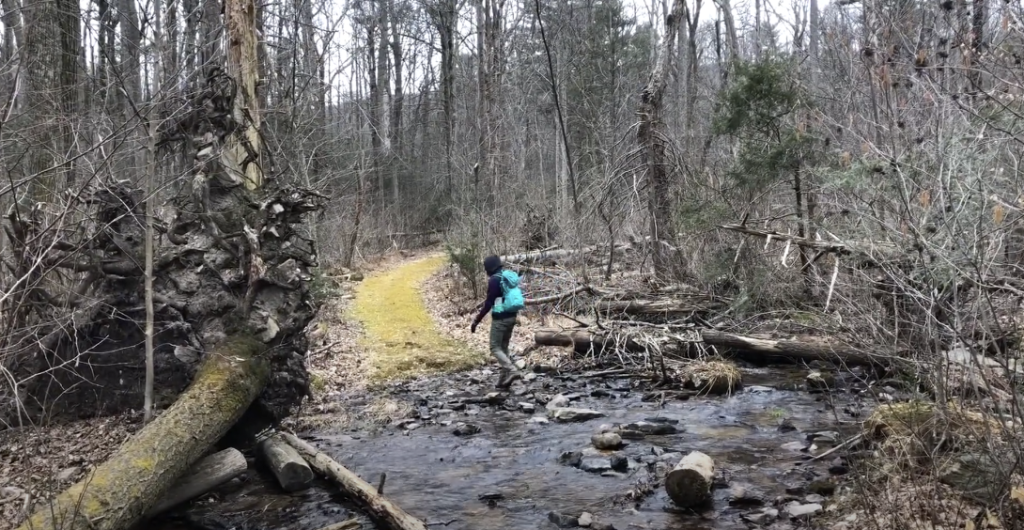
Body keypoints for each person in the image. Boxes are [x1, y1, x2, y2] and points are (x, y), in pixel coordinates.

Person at [471, 255, 525, 388]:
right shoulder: (506, 277)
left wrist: (476, 321)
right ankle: (503, 381)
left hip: (500, 320)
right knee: (503, 348)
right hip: (512, 317)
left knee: (494, 347)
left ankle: (512, 371)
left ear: (489, 268)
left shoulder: (494, 280)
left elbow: (489, 303)